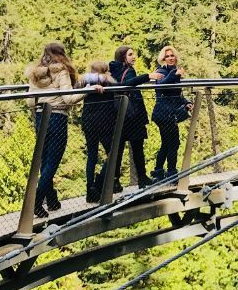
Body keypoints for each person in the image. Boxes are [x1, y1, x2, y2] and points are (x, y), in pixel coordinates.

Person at [26, 42, 79, 216]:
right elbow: (69, 99)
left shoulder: (35, 73)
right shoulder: (61, 71)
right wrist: (89, 91)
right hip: (56, 117)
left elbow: (30, 101)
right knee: (53, 161)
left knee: (44, 159)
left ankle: (52, 200)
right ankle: (36, 201)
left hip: (41, 117)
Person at [108, 45, 162, 191]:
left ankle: (114, 181)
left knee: (118, 149)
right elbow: (126, 84)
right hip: (132, 115)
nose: (134, 57)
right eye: (130, 54)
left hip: (118, 114)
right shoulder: (128, 70)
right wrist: (148, 76)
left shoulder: (112, 70)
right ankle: (142, 178)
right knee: (137, 148)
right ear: (123, 57)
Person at [150, 46, 190, 182]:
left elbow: (176, 94)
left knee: (167, 143)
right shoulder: (161, 71)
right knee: (173, 143)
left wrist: (186, 103)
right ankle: (172, 174)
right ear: (163, 59)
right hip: (164, 114)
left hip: (168, 114)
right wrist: (175, 75)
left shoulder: (173, 71)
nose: (171, 58)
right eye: (168, 56)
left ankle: (159, 171)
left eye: (172, 55)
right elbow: (161, 85)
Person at [79, 60, 115, 202]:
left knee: (92, 155)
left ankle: (89, 189)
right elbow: (123, 87)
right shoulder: (109, 82)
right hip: (105, 122)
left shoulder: (85, 83)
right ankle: (98, 184)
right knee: (112, 153)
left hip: (88, 121)